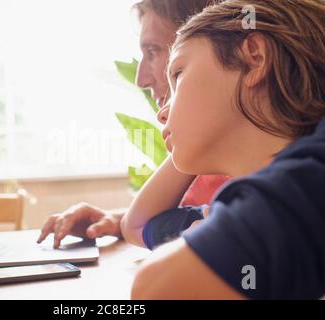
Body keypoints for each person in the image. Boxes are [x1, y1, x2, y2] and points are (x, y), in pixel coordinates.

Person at [131, 0, 325, 299]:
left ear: (254, 58)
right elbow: (139, 225)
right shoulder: (233, 208)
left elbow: (156, 289)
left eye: (179, 74)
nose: (162, 111)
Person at [37, 0, 229, 249]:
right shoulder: (204, 159)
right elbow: (159, 223)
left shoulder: (242, 165)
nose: (141, 79)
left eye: (153, 51)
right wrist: (116, 221)